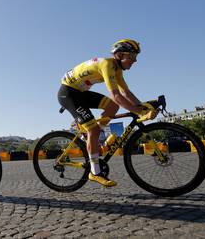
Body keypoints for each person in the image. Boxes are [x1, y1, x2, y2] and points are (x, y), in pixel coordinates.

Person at [58, 39, 157, 187]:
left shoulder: (116, 69)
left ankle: (93, 136)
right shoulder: (107, 65)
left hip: (81, 93)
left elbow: (126, 92)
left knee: (112, 107)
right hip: (68, 94)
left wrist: (142, 107)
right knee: (94, 129)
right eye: (131, 57)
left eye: (135, 57)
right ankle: (95, 172)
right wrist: (138, 111)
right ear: (119, 55)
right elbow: (117, 96)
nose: (134, 61)